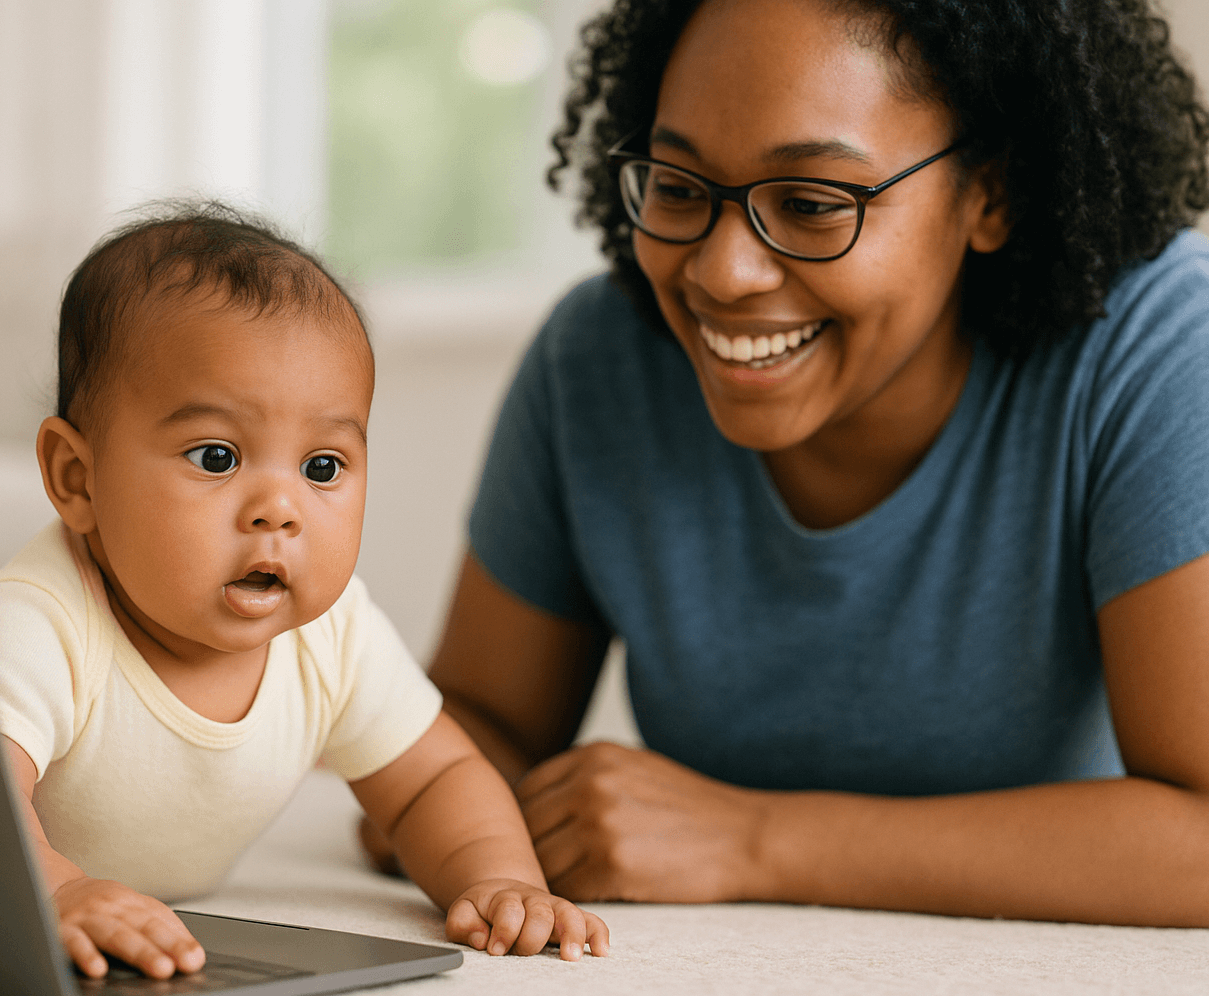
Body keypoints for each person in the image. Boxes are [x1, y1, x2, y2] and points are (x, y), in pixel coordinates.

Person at [389, 0, 1209, 924]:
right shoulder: (599, 360)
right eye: (678, 186)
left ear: (992, 194)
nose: (723, 273)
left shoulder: (1156, 346)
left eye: (815, 204)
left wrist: (752, 838)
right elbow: (469, 734)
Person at [0, 203, 609, 980]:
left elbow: (433, 779)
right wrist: (60, 890)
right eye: (215, 456)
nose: (280, 508)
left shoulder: (332, 635)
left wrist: (499, 877)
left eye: (323, 467)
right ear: (78, 478)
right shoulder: (38, 621)